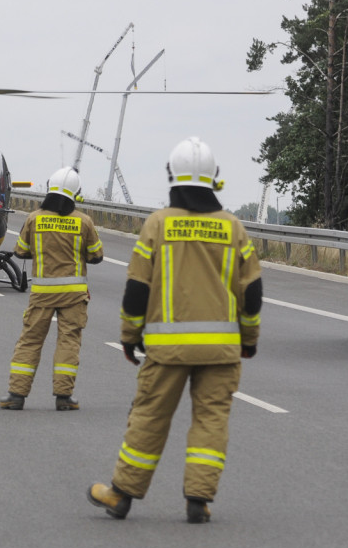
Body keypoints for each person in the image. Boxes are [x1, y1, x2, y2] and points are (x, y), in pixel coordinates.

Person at [87, 137, 262, 523]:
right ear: (215, 179)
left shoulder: (158, 225)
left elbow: (137, 289)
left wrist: (130, 336)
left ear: (171, 176)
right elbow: (251, 293)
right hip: (221, 352)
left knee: (149, 417)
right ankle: (198, 501)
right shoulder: (233, 228)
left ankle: (122, 495)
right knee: (211, 421)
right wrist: (248, 340)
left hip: (166, 351)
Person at [0, 167, 104, 410]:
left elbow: (21, 251)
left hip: (42, 295)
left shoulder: (35, 218)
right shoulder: (84, 222)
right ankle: (64, 397)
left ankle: (16, 396)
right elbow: (96, 255)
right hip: (74, 297)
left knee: (30, 341)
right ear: (76, 194)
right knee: (69, 343)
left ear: (49, 189)